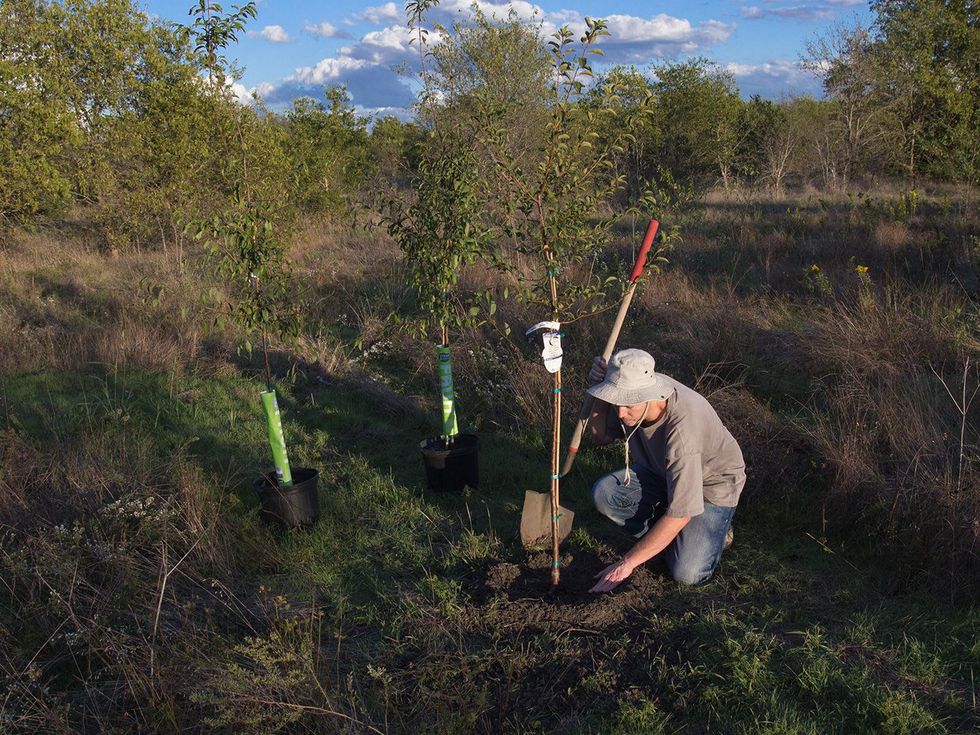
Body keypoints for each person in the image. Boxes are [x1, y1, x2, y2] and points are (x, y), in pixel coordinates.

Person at [585, 349, 745, 592]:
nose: (620, 412)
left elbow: (681, 512)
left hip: (709, 486)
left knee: (687, 573)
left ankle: (718, 533)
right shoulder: (633, 390)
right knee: (605, 493)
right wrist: (601, 390)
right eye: (617, 402)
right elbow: (600, 436)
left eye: (627, 405)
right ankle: (669, 535)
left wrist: (627, 563)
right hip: (660, 473)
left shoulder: (683, 431)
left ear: (647, 396)